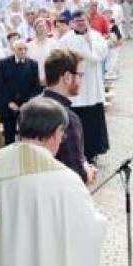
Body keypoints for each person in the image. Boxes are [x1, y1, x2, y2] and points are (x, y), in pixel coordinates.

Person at [0, 97, 107, 266]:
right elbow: (86, 230)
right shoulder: (66, 180)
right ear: (56, 132)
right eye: (62, 134)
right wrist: (101, 222)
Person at [59, 11, 110, 163]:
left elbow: (100, 55)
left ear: (88, 21)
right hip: (76, 84)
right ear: (72, 23)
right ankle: (75, 151)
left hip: (92, 85)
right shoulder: (66, 39)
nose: (81, 23)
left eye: (83, 20)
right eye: (77, 21)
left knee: (92, 120)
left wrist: (88, 45)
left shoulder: (95, 36)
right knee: (76, 120)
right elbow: (61, 57)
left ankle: (92, 152)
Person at [42, 48, 96, 185]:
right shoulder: (68, 119)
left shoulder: (30, 107)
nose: (81, 80)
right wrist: (88, 172)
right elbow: (77, 175)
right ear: (67, 77)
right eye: (80, 75)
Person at [0, 39, 42, 144]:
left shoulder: (33, 64)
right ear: (14, 49)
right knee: (9, 135)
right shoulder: (4, 63)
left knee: (27, 135)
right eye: (20, 49)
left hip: (26, 106)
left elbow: (36, 86)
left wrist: (27, 103)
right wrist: (9, 102)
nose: (23, 51)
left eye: (25, 49)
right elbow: (0, 85)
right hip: (9, 105)